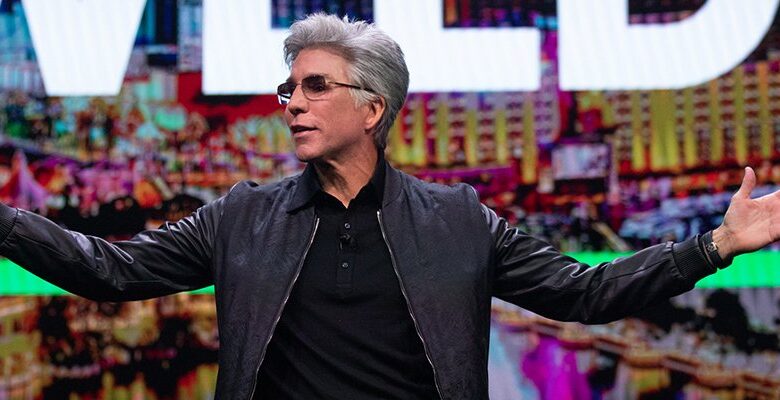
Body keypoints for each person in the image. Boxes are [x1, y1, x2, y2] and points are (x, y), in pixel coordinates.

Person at [1, 13, 778, 400]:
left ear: (373, 108)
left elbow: (584, 293)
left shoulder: (458, 218)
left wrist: (712, 247)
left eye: (316, 87)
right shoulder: (241, 215)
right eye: (288, 88)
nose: (292, 104)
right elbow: (108, 270)